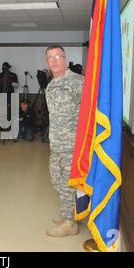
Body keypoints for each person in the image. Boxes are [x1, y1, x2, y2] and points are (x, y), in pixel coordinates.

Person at [44, 45, 83, 237]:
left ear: (65, 59)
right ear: (47, 62)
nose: (54, 60)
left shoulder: (77, 82)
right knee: (57, 180)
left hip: (72, 145)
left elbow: (90, 113)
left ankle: (70, 223)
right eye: (50, 57)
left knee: (68, 183)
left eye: (58, 56)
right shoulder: (51, 85)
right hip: (56, 144)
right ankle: (68, 212)